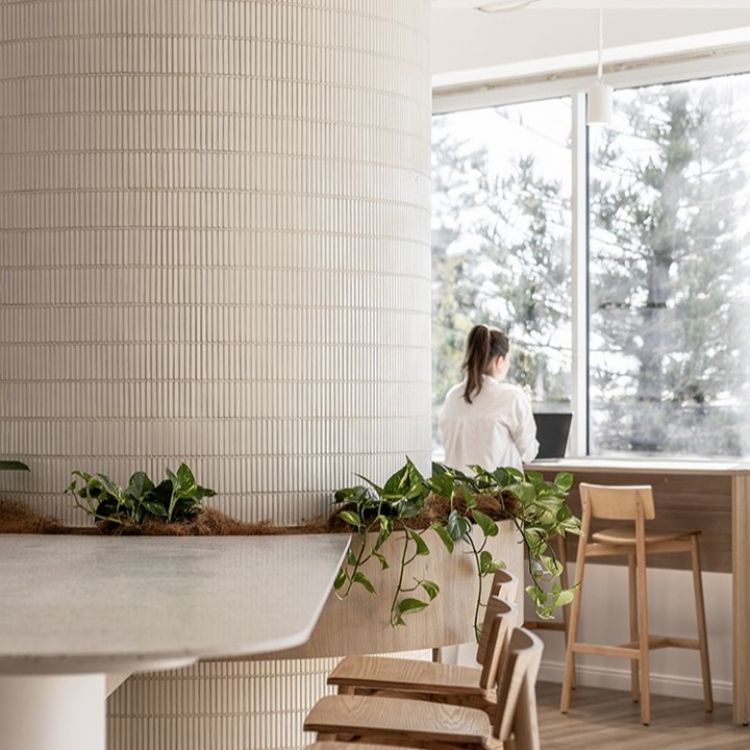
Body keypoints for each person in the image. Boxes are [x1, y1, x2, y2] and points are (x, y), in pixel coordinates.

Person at [439, 324, 539, 474]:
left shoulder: (452, 397)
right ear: (499, 361)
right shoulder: (511, 397)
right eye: (508, 360)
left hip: (456, 495)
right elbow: (529, 453)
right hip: (496, 496)